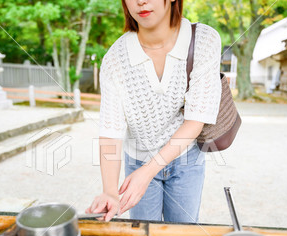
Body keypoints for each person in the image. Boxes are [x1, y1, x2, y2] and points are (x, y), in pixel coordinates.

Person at [85, 0, 222, 223]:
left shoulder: (204, 41)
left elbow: (195, 121)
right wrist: (110, 191)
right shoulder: (114, 59)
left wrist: (147, 173)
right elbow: (111, 129)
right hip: (137, 160)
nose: (141, 1)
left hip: (186, 159)